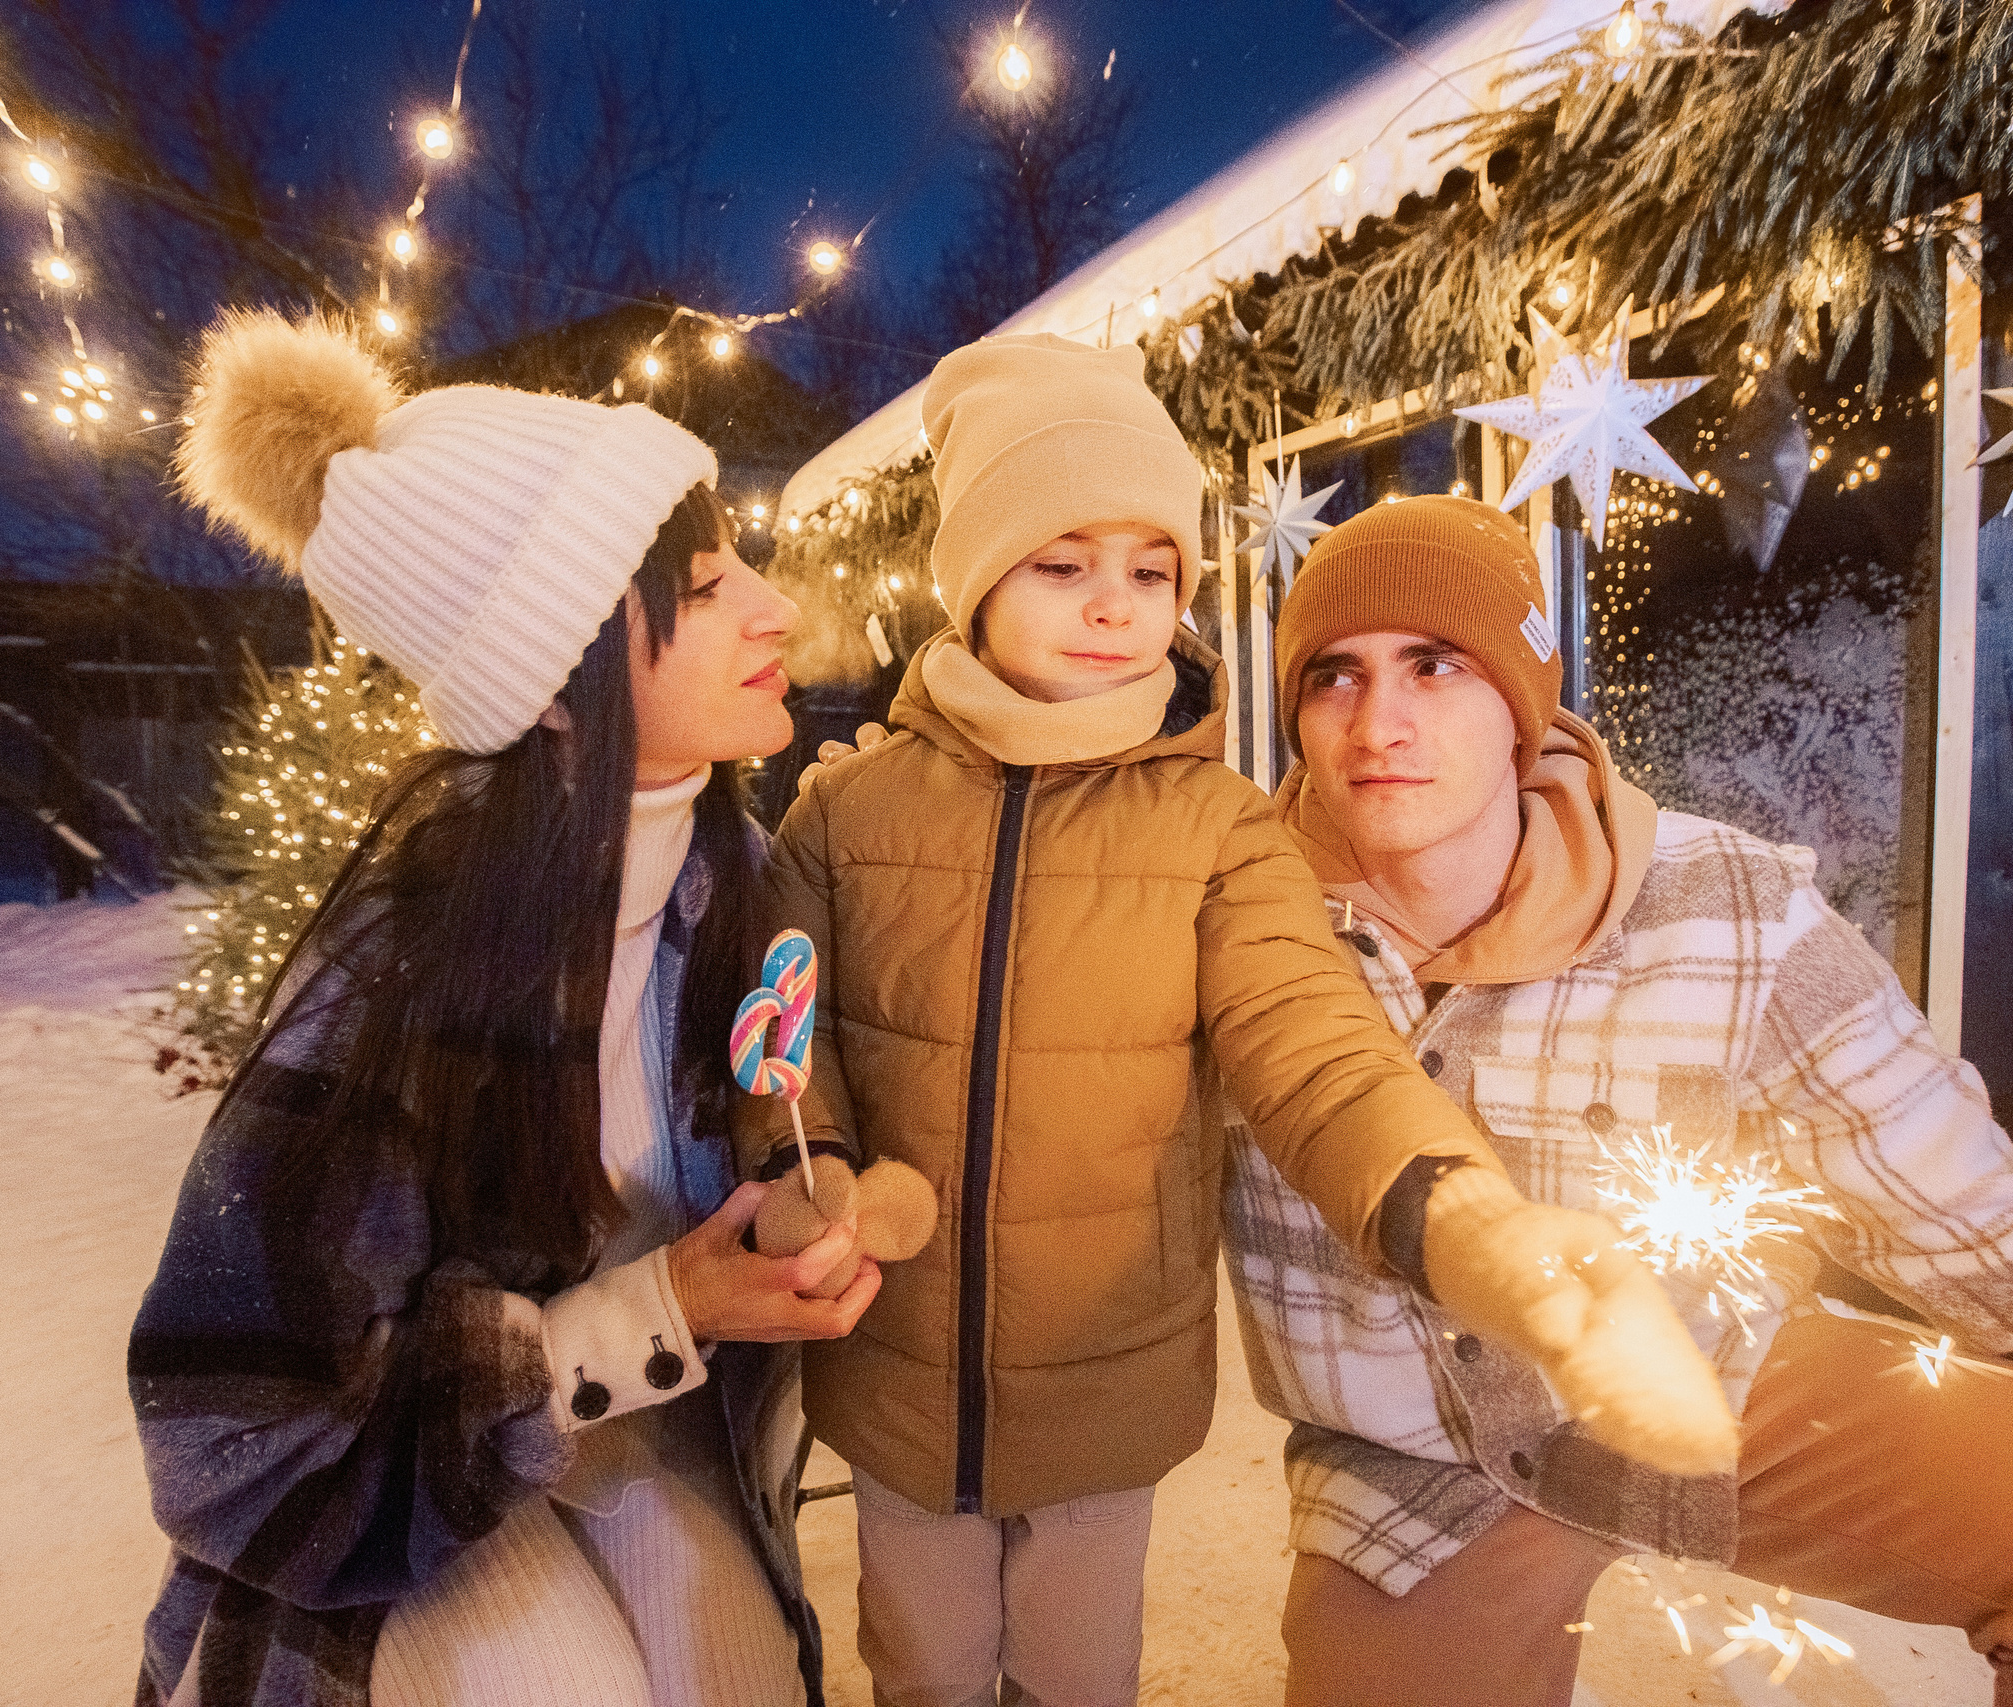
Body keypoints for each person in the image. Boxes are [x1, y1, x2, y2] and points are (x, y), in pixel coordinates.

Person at [741, 335, 1736, 1707]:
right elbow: (785, 1039)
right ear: (973, 579)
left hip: (1109, 1376)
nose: (1114, 604)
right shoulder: (845, 813)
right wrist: (814, 1166)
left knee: (1080, 1670)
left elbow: (1314, 1045)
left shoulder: (1217, 830)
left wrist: (1468, 1217)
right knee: (922, 1660)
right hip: (894, 1364)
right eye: (1062, 562)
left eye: (1151, 570)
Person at [1232, 493, 2013, 1707]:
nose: (1380, 721)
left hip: (1714, 1379)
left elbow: (1999, 1234)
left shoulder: (1723, 909)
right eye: (1334, 678)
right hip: (1410, 1465)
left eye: (1434, 664)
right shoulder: (1229, 918)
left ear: (1520, 699)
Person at [129, 311, 877, 1707]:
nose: (774, 606)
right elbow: (231, 1440)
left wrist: (798, 1186)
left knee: (745, 1678)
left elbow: (775, 1103)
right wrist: (659, 1303)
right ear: (560, 672)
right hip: (406, 1505)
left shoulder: (735, 875)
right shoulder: (404, 968)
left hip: (656, 1431)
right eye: (707, 587)